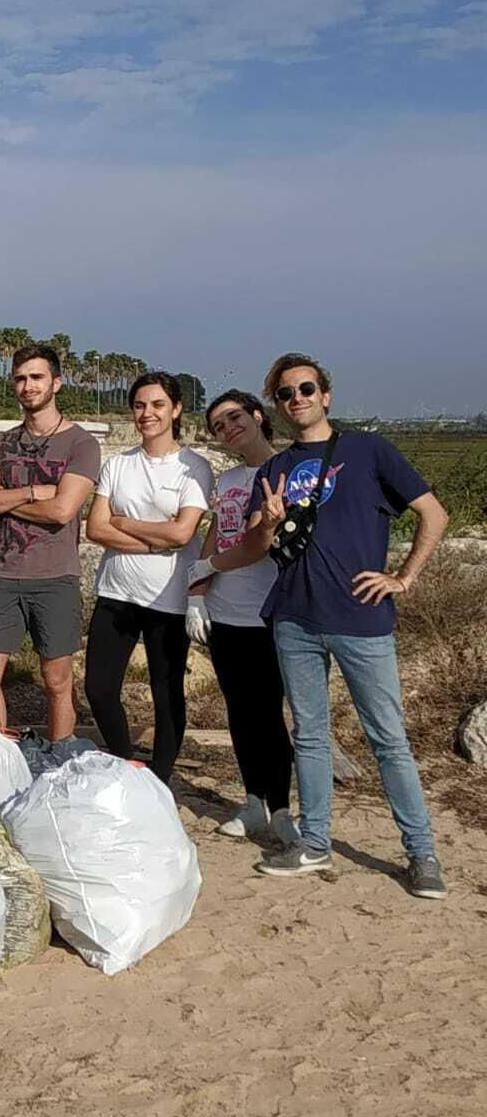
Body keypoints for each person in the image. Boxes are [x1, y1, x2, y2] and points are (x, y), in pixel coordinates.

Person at [237, 354, 447, 898]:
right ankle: (315, 843)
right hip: (295, 618)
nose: (297, 398)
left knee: (388, 740)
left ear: (326, 395)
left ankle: (421, 854)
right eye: (285, 393)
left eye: (306, 388)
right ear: (276, 407)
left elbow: (434, 513)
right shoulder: (273, 472)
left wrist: (404, 577)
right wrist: (270, 522)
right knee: (309, 735)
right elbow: (257, 547)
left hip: (361, 619)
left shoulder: (368, 449)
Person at [83, 372, 214, 783]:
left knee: (165, 691)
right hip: (117, 590)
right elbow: (96, 528)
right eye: (140, 405)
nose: (147, 414)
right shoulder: (119, 464)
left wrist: (124, 522)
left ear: (175, 409)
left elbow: (183, 533)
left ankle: (160, 778)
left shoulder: (194, 467)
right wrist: (152, 541)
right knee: (99, 689)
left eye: (157, 405)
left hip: (168, 597)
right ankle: (124, 764)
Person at [0, 345, 101, 737]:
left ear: (56, 383)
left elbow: (63, 511)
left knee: (56, 681)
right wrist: (31, 493)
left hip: (55, 577)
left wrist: (5, 498)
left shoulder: (81, 444)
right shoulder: (3, 443)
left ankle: (60, 760)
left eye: (37, 377)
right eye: (21, 378)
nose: (28, 386)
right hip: (3, 575)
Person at [184, 390, 297, 844]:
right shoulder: (229, 478)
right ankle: (253, 801)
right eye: (218, 426)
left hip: (271, 610)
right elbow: (219, 529)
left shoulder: (287, 470)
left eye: (234, 418)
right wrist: (198, 590)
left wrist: (210, 566)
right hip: (226, 611)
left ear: (257, 416)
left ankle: (282, 806)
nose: (228, 429)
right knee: (241, 711)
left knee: (271, 712)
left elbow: (259, 541)